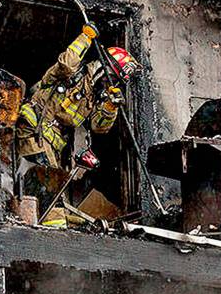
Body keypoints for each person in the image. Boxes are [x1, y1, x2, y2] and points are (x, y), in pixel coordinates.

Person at [16, 21, 140, 226]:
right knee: (48, 182)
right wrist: (85, 38)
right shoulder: (74, 74)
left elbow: (100, 127)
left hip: (53, 142)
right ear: (105, 69)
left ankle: (60, 225)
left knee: (54, 190)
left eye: (117, 83)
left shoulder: (94, 97)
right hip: (34, 129)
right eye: (114, 79)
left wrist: (111, 106)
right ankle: (52, 232)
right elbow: (65, 63)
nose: (113, 85)